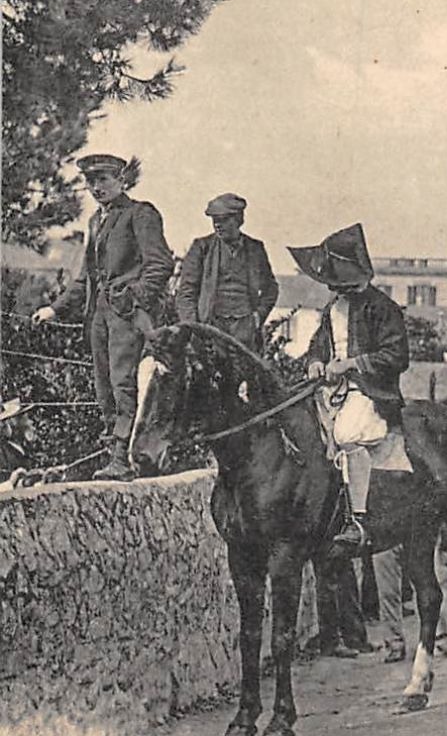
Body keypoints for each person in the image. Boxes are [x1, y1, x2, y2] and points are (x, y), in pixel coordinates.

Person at [34, 154, 173, 481]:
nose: (97, 188)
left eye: (104, 180)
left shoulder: (140, 214)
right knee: (104, 387)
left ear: (122, 180)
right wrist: (54, 308)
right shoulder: (96, 221)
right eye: (91, 181)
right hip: (98, 315)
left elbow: (160, 264)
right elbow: (85, 278)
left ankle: (123, 460)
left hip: (128, 316)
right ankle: (115, 452)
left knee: (124, 383)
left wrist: (132, 296)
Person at [290, 224, 410, 555]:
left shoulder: (382, 307)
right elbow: (317, 346)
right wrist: (315, 361)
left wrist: (352, 364)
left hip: (369, 391)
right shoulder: (333, 308)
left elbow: (397, 356)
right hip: (330, 389)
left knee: (345, 435)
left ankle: (357, 520)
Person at [175, 193, 278, 351]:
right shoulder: (202, 247)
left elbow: (271, 289)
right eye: (214, 220)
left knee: (245, 374)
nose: (217, 225)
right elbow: (186, 292)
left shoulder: (255, 249)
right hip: (210, 329)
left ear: (238, 220)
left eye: (223, 220)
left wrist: (258, 317)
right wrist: (194, 327)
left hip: (245, 330)